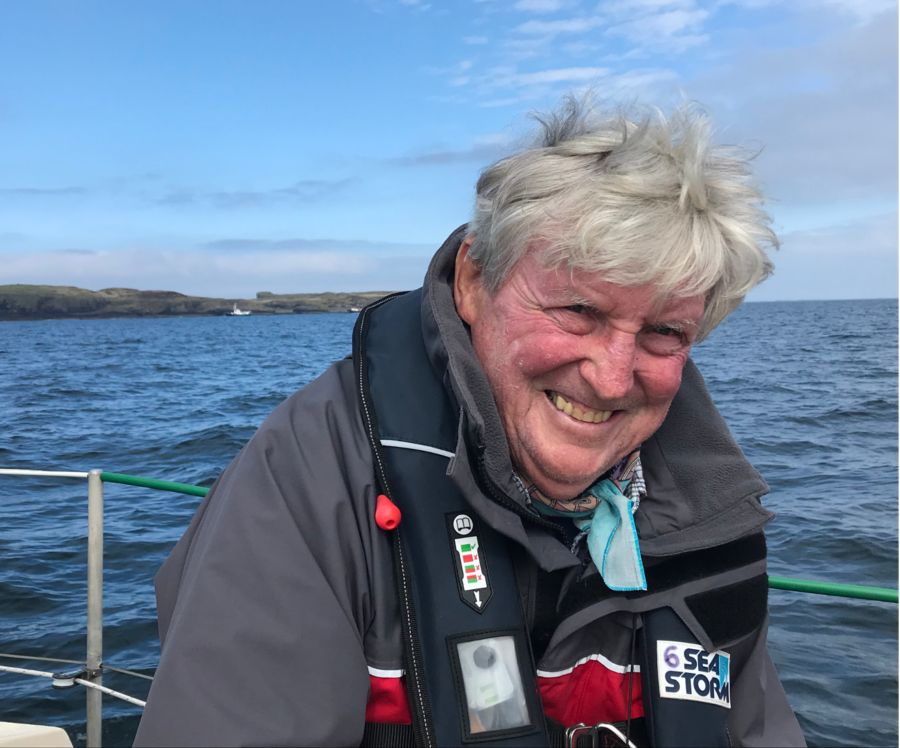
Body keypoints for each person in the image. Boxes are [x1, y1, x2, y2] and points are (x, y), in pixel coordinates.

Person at [133, 97, 806, 747]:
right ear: (473, 284)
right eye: (578, 309)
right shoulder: (309, 481)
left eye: (664, 331)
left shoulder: (711, 517)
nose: (611, 374)